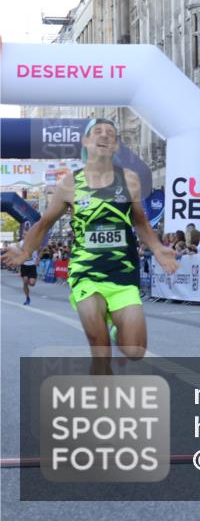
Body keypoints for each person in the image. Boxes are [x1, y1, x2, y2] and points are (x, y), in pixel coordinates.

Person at [1, 119, 180, 375]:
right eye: (98, 132)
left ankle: (117, 325)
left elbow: (139, 220)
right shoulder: (70, 184)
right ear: (85, 141)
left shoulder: (129, 179)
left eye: (110, 133)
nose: (104, 136)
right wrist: (26, 250)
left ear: (116, 144)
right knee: (100, 346)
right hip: (86, 271)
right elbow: (44, 224)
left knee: (135, 351)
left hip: (122, 272)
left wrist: (158, 247)